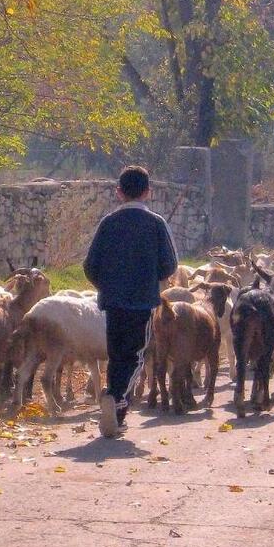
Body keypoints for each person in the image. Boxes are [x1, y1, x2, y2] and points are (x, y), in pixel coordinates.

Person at [83, 166, 178, 438]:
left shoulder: (108, 224)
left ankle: (117, 414)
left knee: (116, 355)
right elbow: (169, 265)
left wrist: (107, 286)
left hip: (113, 303)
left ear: (119, 192)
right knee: (135, 356)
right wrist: (149, 280)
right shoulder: (156, 223)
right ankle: (115, 396)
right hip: (142, 302)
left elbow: (90, 266)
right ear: (148, 192)